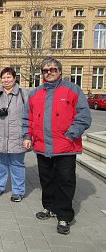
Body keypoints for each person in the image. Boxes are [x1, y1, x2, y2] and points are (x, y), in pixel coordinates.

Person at [22, 56, 91, 235]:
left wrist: (71, 135)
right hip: (42, 146)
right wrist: (27, 135)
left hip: (65, 147)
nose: (49, 72)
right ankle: (49, 207)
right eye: (46, 70)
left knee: (65, 181)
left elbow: (84, 116)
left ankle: (64, 216)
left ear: (59, 71)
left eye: (53, 69)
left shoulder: (72, 89)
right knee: (46, 179)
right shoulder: (36, 93)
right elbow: (27, 118)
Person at [0, 67, 29, 202]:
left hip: (17, 136)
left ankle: (18, 191)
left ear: (14, 78)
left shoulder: (24, 94)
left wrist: (27, 135)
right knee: (0, 163)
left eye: (9, 77)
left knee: (17, 164)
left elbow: (31, 115)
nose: (6, 80)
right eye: (3, 77)